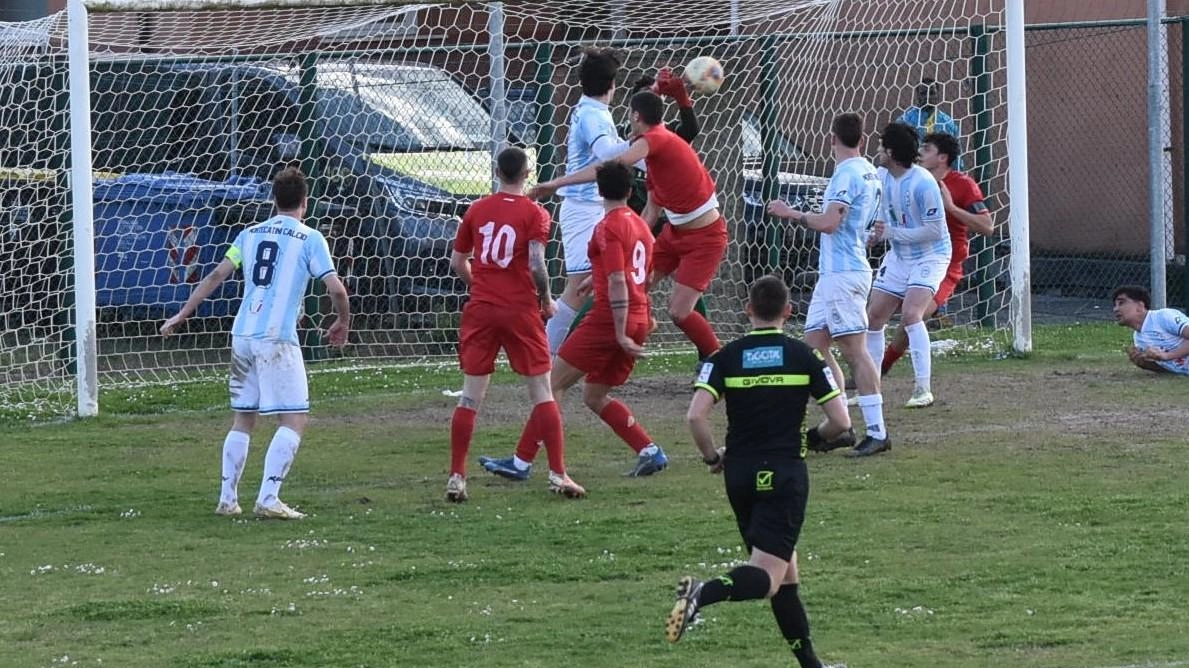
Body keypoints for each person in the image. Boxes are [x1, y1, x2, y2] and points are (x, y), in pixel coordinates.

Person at [666, 275, 849, 668]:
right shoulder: (805, 357)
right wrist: (811, 439)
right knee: (767, 577)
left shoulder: (723, 358)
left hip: (739, 475)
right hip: (783, 475)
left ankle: (812, 666)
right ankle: (702, 592)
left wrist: (713, 457)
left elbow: (696, 416)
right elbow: (840, 422)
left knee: (785, 577)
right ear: (788, 311)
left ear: (748, 310)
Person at [160, 166, 350, 520]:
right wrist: (342, 320)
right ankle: (268, 497)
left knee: (243, 418)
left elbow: (217, 273)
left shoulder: (249, 234)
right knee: (294, 419)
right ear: (304, 203)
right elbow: (336, 288)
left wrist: (182, 314)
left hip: (243, 335)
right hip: (276, 338)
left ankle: (227, 499)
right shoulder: (310, 238)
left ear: (273, 200)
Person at [480, 161, 668, 479]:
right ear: (629, 190)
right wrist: (600, 284)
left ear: (598, 190)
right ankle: (650, 451)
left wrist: (620, 330)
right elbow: (642, 275)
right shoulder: (640, 226)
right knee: (594, 395)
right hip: (638, 316)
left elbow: (620, 281)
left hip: (611, 319)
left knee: (552, 384)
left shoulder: (607, 227)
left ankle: (521, 462)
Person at [532, 90, 726, 364]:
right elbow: (649, 213)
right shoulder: (655, 163)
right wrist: (621, 259)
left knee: (679, 312)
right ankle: (636, 326)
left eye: (630, 118)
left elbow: (609, 165)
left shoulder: (656, 138)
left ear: (636, 116)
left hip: (705, 239)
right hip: (674, 235)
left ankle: (718, 361)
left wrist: (555, 184)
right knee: (637, 282)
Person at [446, 147, 585, 503]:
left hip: (482, 308)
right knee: (542, 390)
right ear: (528, 173)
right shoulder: (535, 214)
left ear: (497, 171)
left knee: (470, 395)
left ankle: (457, 476)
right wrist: (547, 300)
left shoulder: (476, 210)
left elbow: (458, 261)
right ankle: (558, 473)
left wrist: (479, 286)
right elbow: (537, 264)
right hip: (520, 309)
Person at [766, 112, 884, 457]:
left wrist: (792, 214)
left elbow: (830, 223)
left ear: (833, 138)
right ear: (861, 139)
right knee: (815, 344)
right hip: (836, 272)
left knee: (854, 349)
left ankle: (877, 431)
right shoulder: (868, 172)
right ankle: (841, 424)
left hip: (844, 273)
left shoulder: (847, 173)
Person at [862, 122, 950, 453]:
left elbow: (933, 232)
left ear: (894, 153)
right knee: (873, 318)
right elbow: (883, 220)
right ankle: (874, 386)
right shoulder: (883, 177)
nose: (878, 151)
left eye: (883, 146)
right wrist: (874, 234)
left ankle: (923, 388)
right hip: (899, 256)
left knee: (912, 315)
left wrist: (891, 235)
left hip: (930, 256)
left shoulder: (923, 183)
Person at [880, 132, 993, 380]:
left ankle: (884, 369)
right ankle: (868, 369)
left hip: (944, 262)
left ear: (943, 158)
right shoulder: (907, 179)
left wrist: (951, 208)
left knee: (913, 317)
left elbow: (987, 225)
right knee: (874, 313)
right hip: (905, 256)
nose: (920, 152)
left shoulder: (963, 185)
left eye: (927, 149)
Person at [543, 47, 631, 357]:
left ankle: (611, 343)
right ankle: (545, 356)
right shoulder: (592, 115)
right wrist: (643, 143)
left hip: (600, 208)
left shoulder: (593, 110)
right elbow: (608, 153)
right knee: (579, 289)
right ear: (611, 85)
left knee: (617, 276)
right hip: (583, 209)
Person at [1112, 285, 1189, 375]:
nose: (1115, 309)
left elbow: (1166, 357)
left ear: (1140, 306)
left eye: (1121, 303)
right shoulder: (1139, 339)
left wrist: (1167, 356)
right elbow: (1171, 369)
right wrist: (1145, 364)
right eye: (1114, 305)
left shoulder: (1163, 316)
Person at [898, 77, 962, 170]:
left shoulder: (947, 123)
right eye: (923, 93)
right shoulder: (905, 121)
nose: (928, 97)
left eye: (931, 93)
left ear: (937, 95)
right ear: (917, 95)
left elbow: (957, 156)